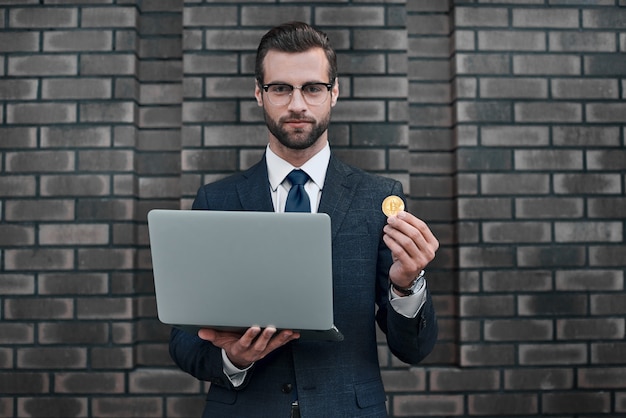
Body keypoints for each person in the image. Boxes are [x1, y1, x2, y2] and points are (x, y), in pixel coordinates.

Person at [169, 21, 439, 418]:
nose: (297, 104)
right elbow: (184, 343)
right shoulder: (216, 199)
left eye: (313, 88)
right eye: (281, 88)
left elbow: (414, 349)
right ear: (259, 94)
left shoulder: (378, 198)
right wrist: (233, 360)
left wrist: (407, 286)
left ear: (334, 93)